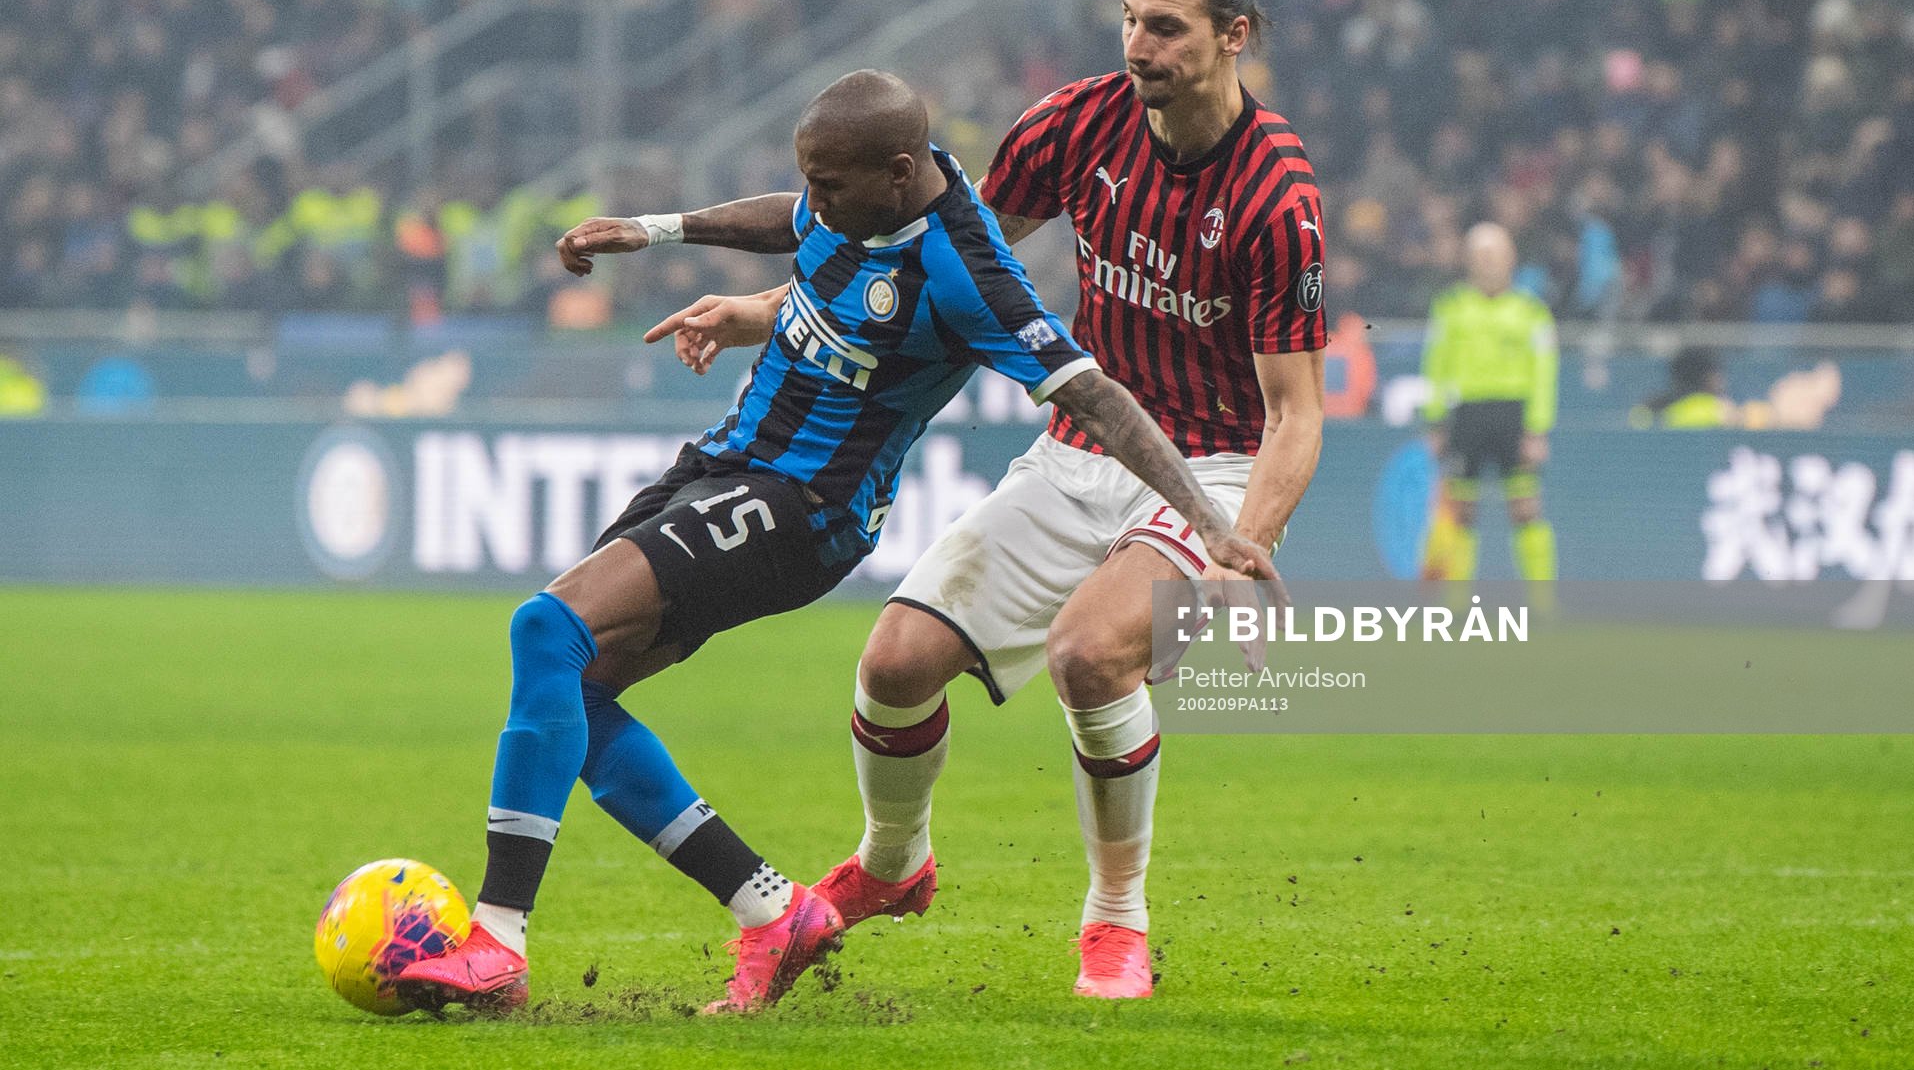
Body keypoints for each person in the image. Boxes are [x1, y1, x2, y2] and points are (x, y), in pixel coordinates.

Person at [394, 69, 1276, 1015]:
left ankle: (497, 941)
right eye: (808, 179)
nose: (814, 202)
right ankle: (773, 911)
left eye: (830, 185)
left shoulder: (966, 272)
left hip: (803, 505)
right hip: (724, 463)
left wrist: (1218, 526)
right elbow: (790, 221)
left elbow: (1094, 393)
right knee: (573, 685)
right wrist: (658, 230)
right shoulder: (855, 201)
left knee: (546, 628)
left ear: (898, 174)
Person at [651, 0, 1328, 998]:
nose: (1137, 45)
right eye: (1128, 17)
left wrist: (1248, 544)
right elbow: (927, 262)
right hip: (1076, 452)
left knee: (1090, 654)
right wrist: (754, 314)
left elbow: (1297, 413)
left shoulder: (1276, 197)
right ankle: (892, 863)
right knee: (894, 666)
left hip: (1213, 467)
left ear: (1233, 36)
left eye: (1166, 27)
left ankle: (1116, 919)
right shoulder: (1074, 123)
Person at [1419, 222, 1559, 582]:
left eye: (1494, 254)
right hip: (1466, 415)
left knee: (1526, 509)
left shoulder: (1532, 312)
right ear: (1467, 261)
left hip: (1514, 416)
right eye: (1480, 255)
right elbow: (1435, 367)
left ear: (1511, 259)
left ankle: (1544, 607)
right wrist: (1435, 423)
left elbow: (1544, 375)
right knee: (1460, 512)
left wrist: (1538, 429)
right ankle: (1452, 611)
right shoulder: (1450, 308)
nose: (1488, 263)